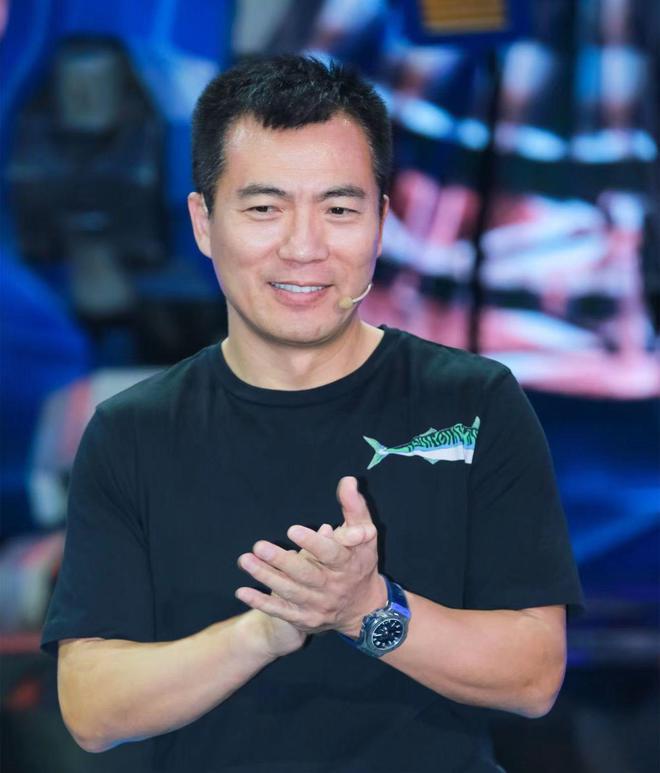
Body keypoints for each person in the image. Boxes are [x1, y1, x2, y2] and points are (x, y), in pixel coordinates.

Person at [41, 55, 583, 772]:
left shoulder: (474, 401)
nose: (304, 247)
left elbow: (534, 674)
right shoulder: (132, 432)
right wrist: (265, 632)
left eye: (339, 209)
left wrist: (368, 610)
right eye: (264, 208)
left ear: (382, 221)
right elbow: (91, 707)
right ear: (203, 222)